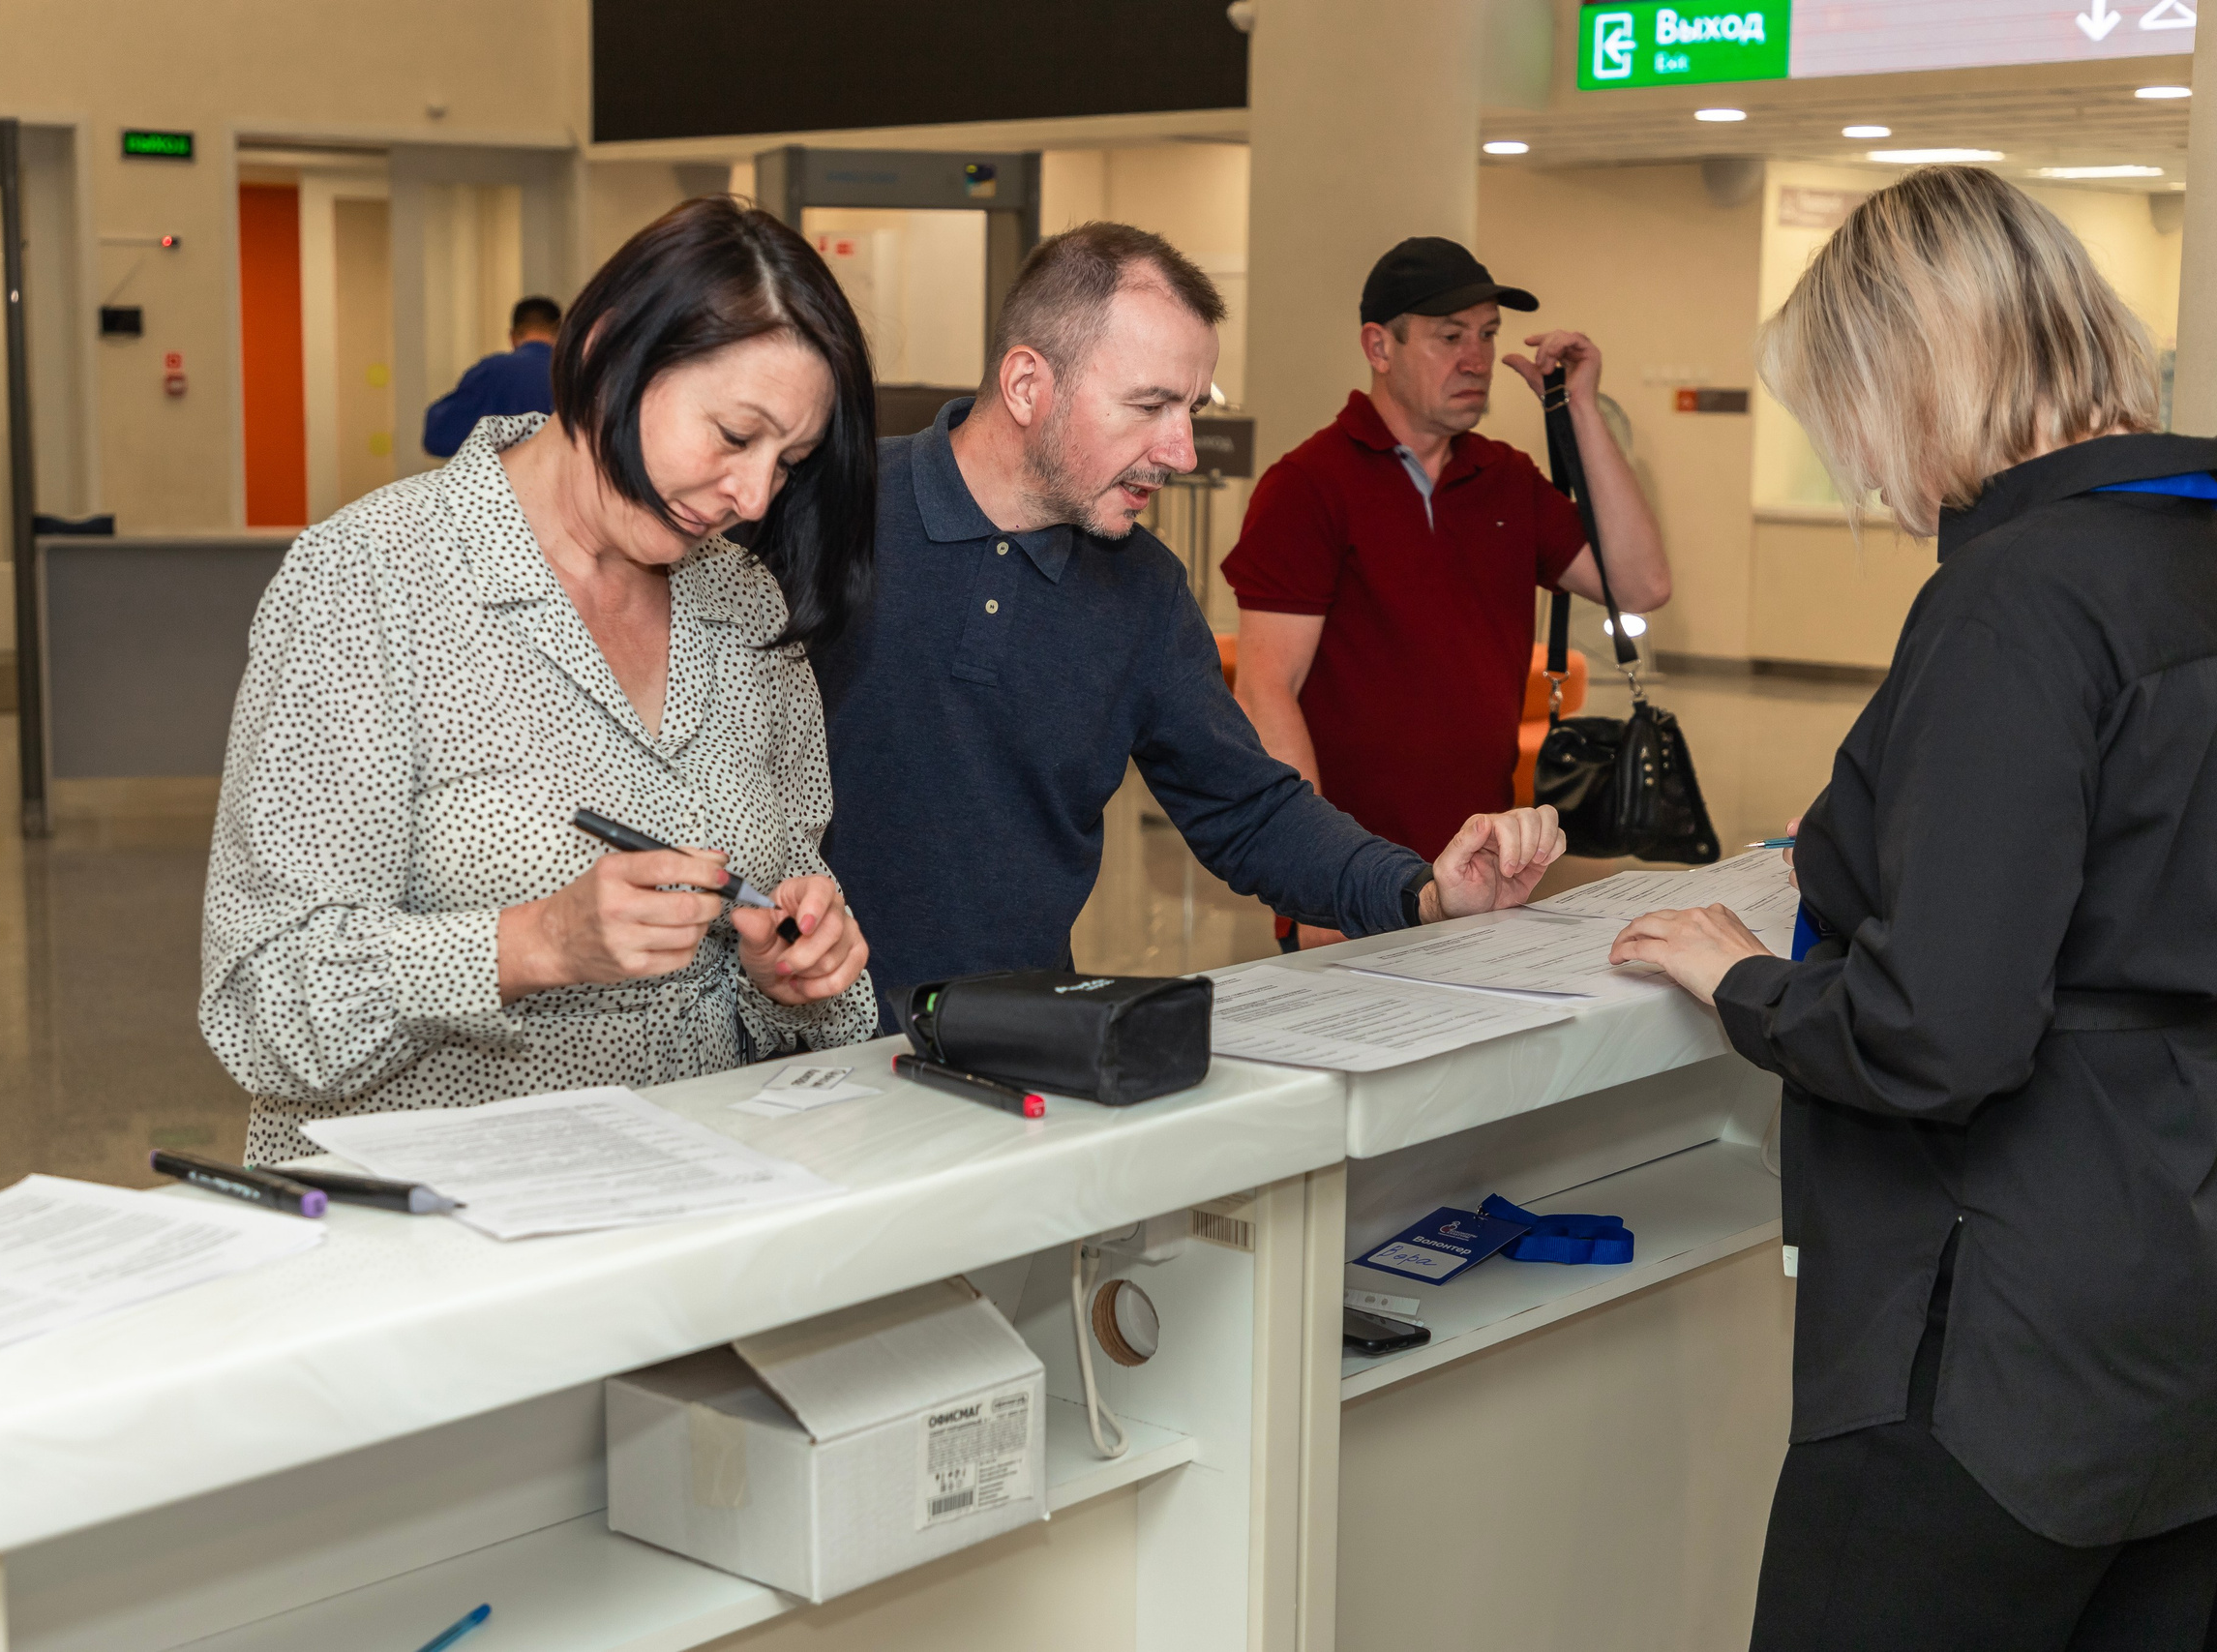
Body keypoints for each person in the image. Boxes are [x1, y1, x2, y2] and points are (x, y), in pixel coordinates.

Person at [1609, 166, 2217, 1651]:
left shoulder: (2018, 596)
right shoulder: (2186, 546)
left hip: (2002, 1326)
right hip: (2179, 1294)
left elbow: (1943, 1028)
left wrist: (1747, 975)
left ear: (1912, 376)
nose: (1860, 469)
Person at [203, 198, 879, 1165]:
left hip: (685, 1215)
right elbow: (264, 1008)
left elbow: (783, 943)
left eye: (792, 461)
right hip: (435, 1241)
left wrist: (790, 969)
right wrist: (534, 946)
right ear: (607, 352)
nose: (756, 496)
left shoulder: (744, 609)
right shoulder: (373, 581)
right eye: (734, 435)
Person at [815, 222, 1565, 1021]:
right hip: (781, 1055)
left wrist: (1419, 890)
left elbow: (1249, 808)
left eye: (1192, 408)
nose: (1183, 451)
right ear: (1028, 385)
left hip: (1001, 1041)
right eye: (1150, 405)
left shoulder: (1143, 589)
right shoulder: (827, 515)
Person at [1223, 237, 1669, 951]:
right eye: (1449, 336)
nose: (1478, 358)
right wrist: (1310, 880)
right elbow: (1268, 688)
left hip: (1482, 879)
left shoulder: (1508, 478)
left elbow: (1643, 584)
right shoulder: (1308, 485)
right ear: (1379, 345)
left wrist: (1580, 408)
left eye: (1489, 334)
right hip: (1352, 885)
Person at [422, 294, 563, 459]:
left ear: (512, 336)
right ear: (561, 334)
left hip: (504, 480)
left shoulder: (491, 370)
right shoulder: (576, 374)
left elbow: (438, 437)